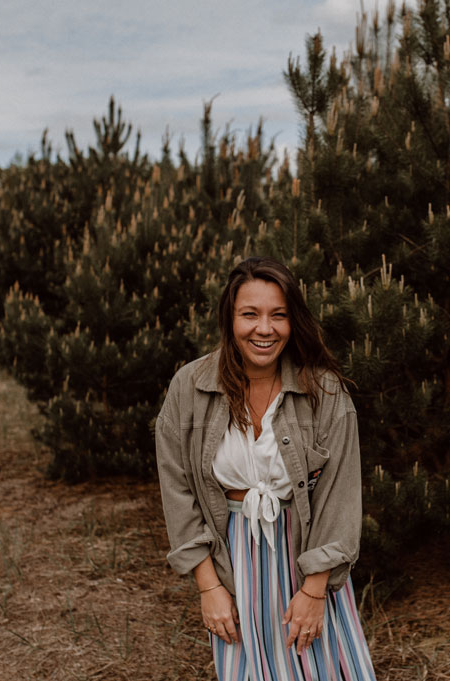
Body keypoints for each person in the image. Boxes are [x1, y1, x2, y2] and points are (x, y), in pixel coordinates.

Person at [155, 256, 377, 680]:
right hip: (232, 558)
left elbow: (339, 497)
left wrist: (314, 591)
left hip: (307, 553)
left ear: (293, 321)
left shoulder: (325, 392)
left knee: (325, 666)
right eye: (249, 314)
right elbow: (177, 490)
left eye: (278, 315)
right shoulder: (190, 386)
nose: (264, 328)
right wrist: (209, 586)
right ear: (229, 318)